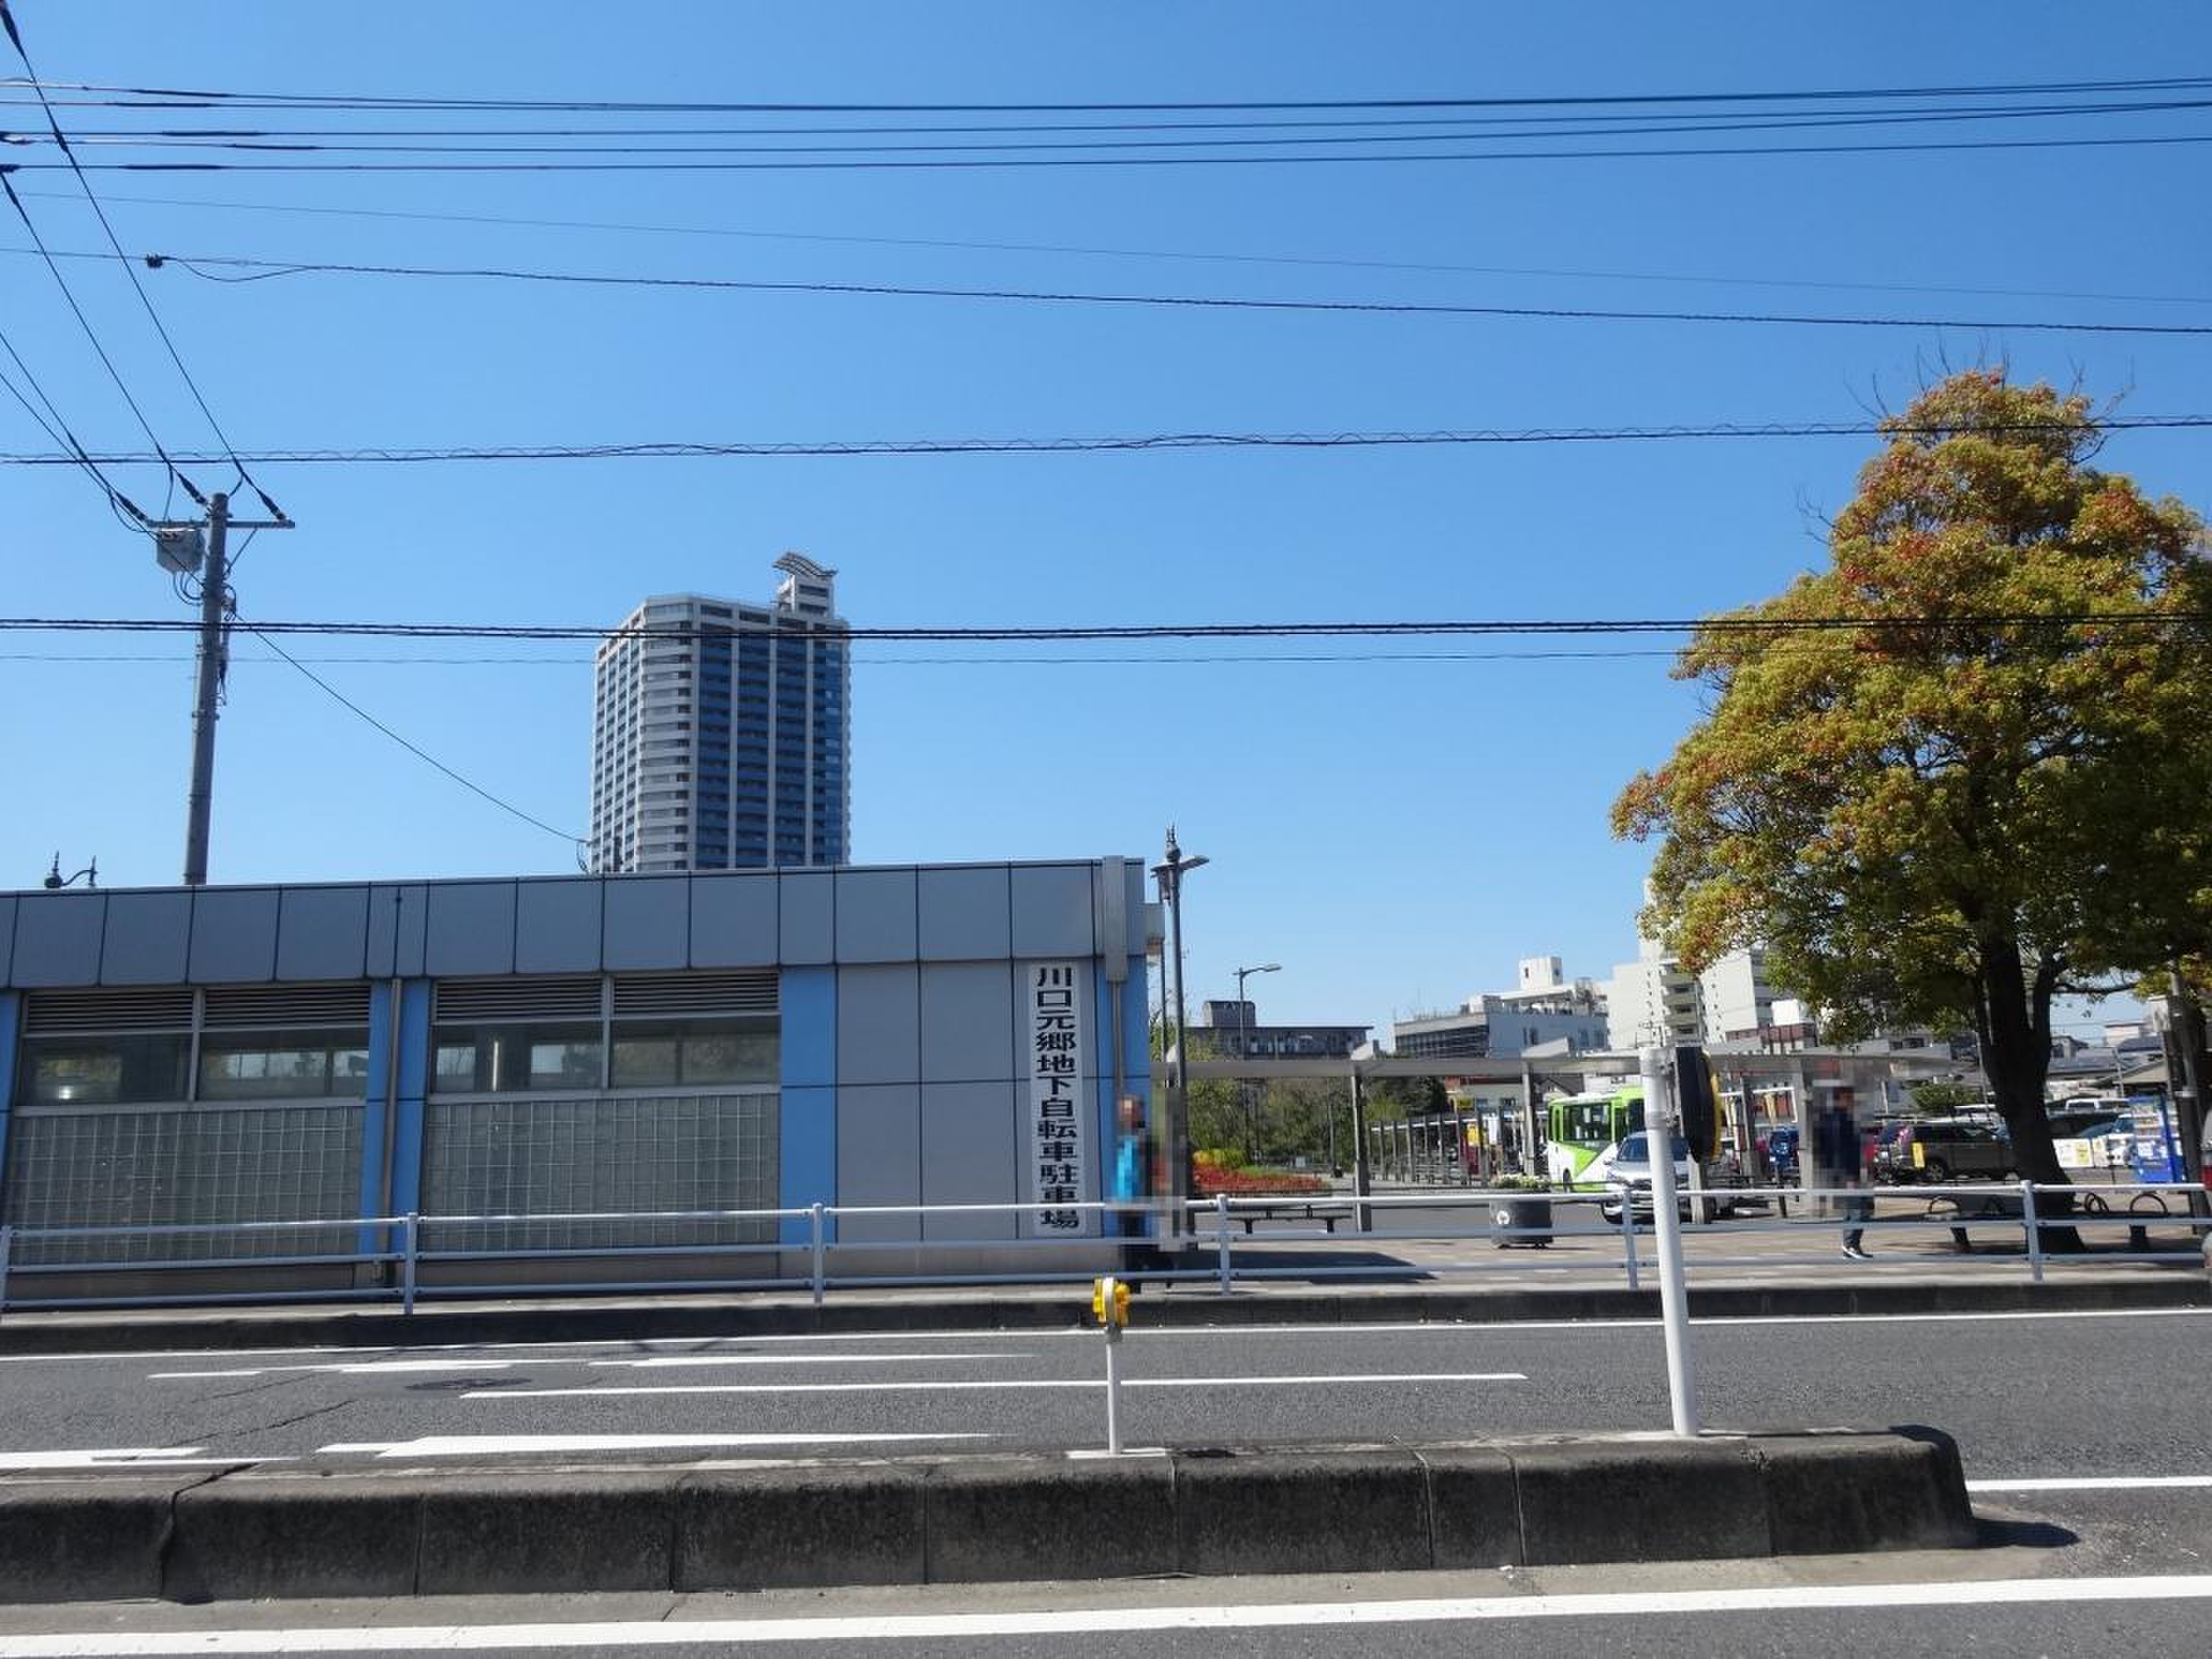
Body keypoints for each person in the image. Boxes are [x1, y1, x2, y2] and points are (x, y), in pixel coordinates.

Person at [1818, 1104, 1875, 1260]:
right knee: (1859, 1208)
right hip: (1852, 1173)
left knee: (1856, 1209)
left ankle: (1849, 1245)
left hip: (1856, 1171)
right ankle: (1851, 1244)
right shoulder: (1842, 1123)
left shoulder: (1846, 1122)